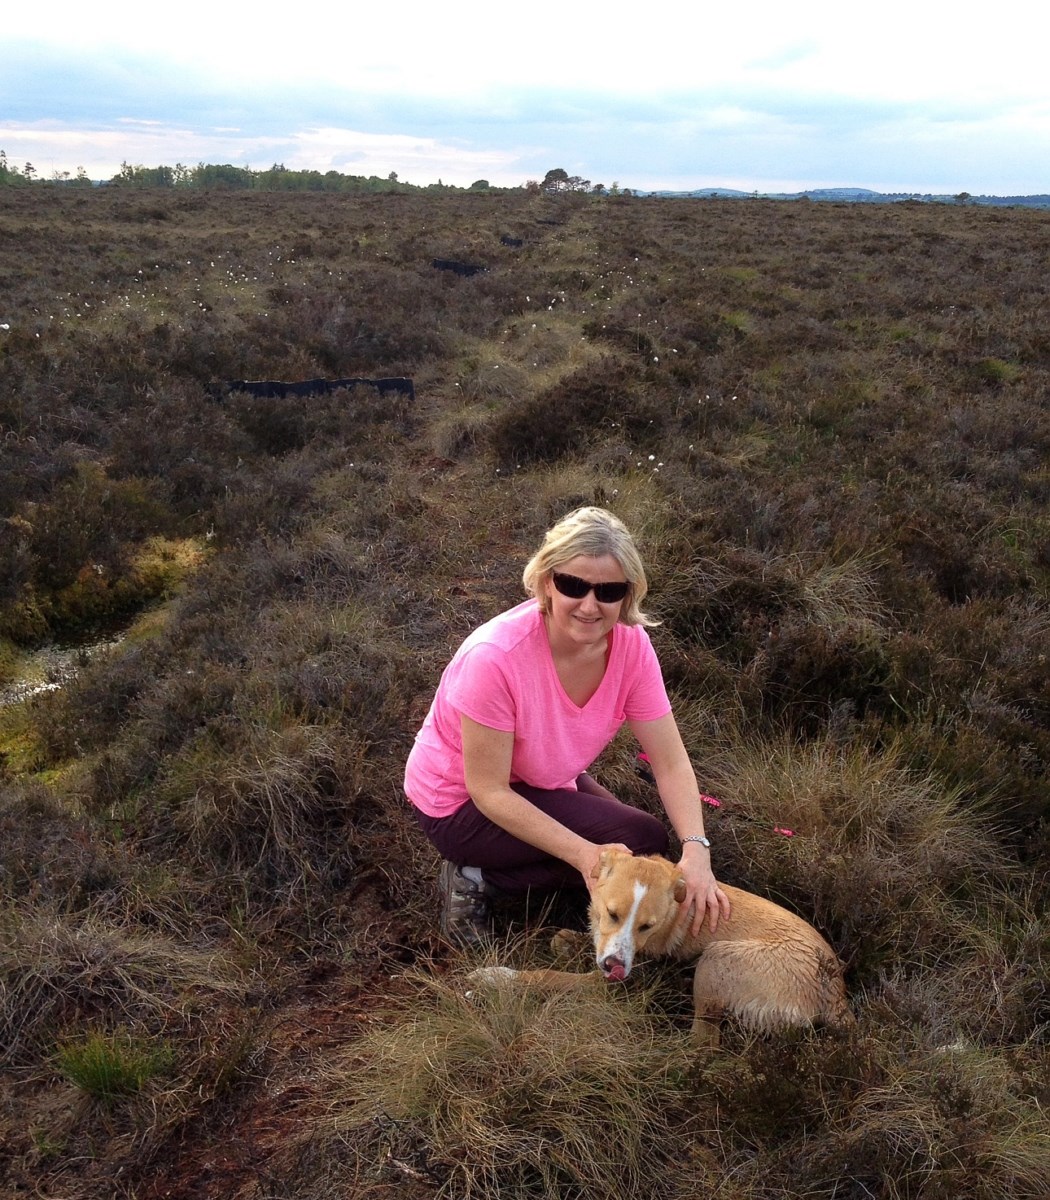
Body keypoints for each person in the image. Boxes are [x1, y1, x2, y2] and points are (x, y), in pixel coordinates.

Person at [404, 506, 731, 945]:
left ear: (627, 595)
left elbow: (669, 762)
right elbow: (488, 790)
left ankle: (521, 865)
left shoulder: (631, 648)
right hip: (460, 804)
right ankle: (474, 878)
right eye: (573, 585)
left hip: (544, 778)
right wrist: (583, 854)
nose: (590, 605)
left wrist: (697, 849)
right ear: (546, 582)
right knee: (634, 843)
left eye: (609, 591)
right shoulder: (495, 658)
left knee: (634, 849)